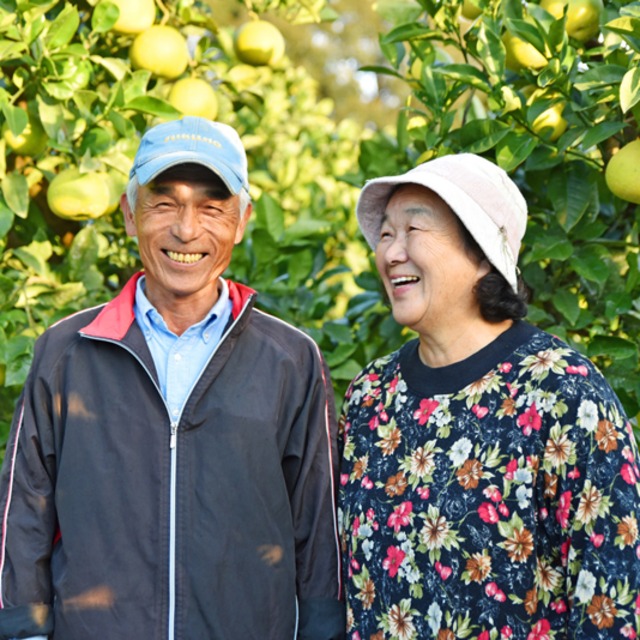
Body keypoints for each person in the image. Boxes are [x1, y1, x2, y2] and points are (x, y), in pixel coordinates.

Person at [0, 116, 345, 640]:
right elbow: (23, 509)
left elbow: (319, 525)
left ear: (243, 220)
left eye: (212, 207)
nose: (187, 230)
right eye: (164, 203)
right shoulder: (66, 351)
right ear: (129, 214)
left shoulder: (290, 359)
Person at [338, 153, 640, 639]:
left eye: (414, 230)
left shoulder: (564, 394)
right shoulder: (370, 396)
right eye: (386, 234)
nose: (391, 252)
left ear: (481, 253)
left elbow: (613, 606)